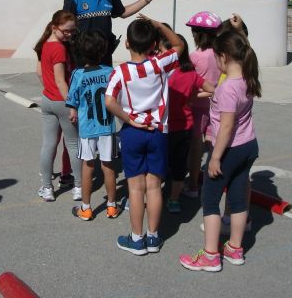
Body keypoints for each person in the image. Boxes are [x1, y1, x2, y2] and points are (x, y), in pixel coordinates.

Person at [179, 30, 261, 272]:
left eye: (216, 56)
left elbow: (226, 127)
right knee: (237, 198)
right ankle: (235, 248)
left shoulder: (227, 89)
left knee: (211, 200)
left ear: (224, 56)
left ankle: (211, 255)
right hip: (248, 145)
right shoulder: (246, 80)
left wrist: (215, 157)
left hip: (229, 150)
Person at [105, 17, 184, 255]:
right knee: (154, 186)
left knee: (135, 188)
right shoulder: (159, 64)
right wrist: (159, 26)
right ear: (153, 45)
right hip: (158, 131)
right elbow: (179, 46)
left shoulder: (120, 72)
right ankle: (153, 236)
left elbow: (109, 101)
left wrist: (128, 119)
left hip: (133, 133)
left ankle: (136, 239)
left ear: (127, 43)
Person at [66, 30, 121, 221]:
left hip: (88, 127)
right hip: (107, 125)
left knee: (88, 166)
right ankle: (112, 206)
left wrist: (73, 111)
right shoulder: (109, 72)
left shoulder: (78, 74)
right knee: (108, 165)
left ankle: (86, 208)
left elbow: (72, 100)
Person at [158, 34, 215, 214]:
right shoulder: (191, 74)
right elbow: (212, 89)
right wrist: (192, 96)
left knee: (159, 164)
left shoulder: (163, 74)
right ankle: (174, 200)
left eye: (160, 51)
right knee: (179, 165)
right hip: (185, 126)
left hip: (165, 127)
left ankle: (152, 196)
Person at [33, 10, 82, 202]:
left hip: (48, 101)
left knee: (48, 144)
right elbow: (62, 81)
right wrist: (72, 105)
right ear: (55, 27)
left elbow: (39, 72)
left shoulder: (44, 45)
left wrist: (48, 89)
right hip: (63, 101)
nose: (69, 35)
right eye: (66, 31)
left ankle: (47, 188)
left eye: (72, 31)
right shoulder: (59, 49)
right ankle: (78, 187)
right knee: (72, 144)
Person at [183, 11, 223, 198]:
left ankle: (192, 185)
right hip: (215, 105)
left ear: (198, 35)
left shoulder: (195, 57)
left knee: (195, 148)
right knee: (212, 144)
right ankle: (212, 181)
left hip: (197, 105)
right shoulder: (220, 54)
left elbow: (190, 83)